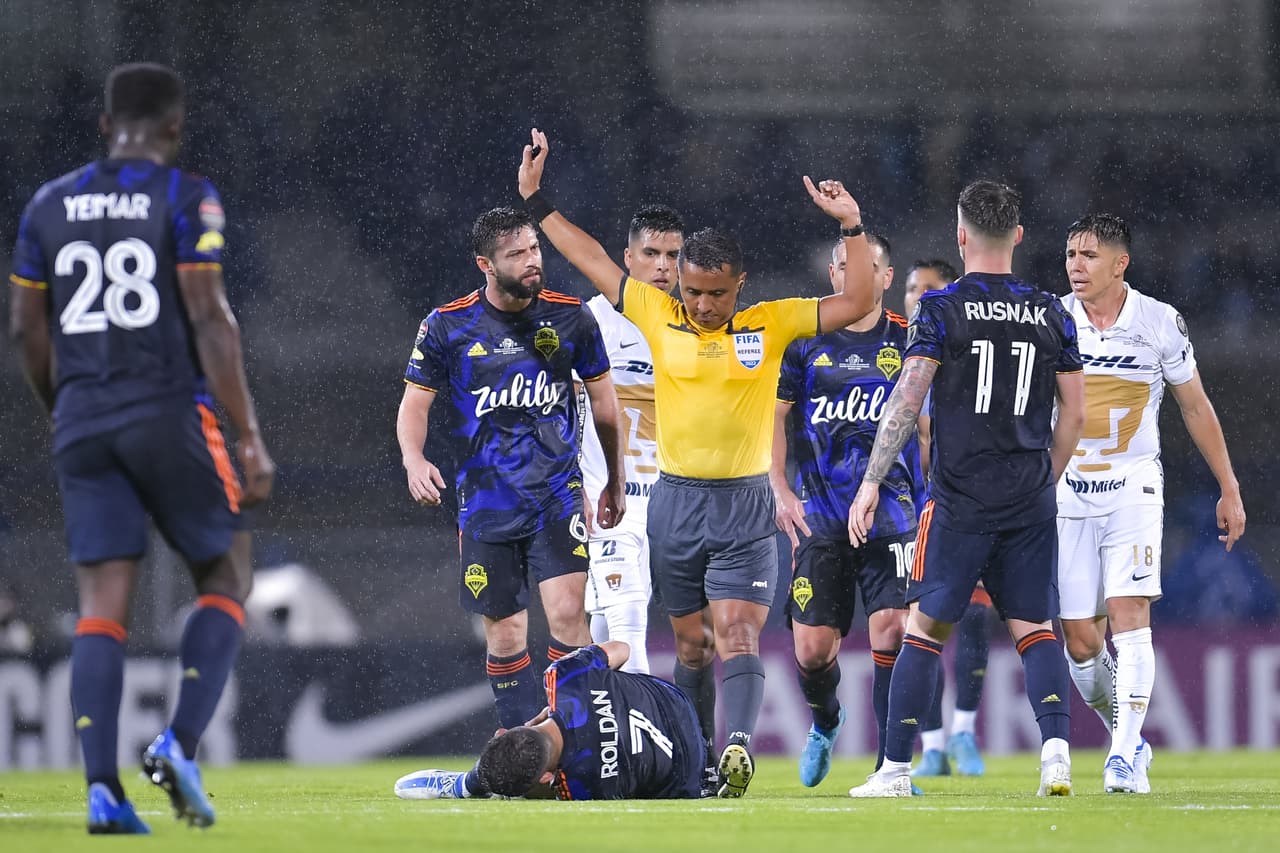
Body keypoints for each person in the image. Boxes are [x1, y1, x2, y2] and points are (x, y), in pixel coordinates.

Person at [516, 128, 879, 797]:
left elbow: (858, 301)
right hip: (675, 505)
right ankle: (701, 762)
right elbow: (592, 258)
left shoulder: (770, 322)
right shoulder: (657, 313)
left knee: (738, 631)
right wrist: (537, 204)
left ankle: (735, 746)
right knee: (690, 648)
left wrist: (852, 225)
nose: (704, 305)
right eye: (695, 292)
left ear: (738, 285)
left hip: (743, 504)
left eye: (716, 293)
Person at [8, 63, 274, 833]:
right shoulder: (185, 194)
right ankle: (180, 744)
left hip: (82, 417)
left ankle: (102, 791)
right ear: (173, 127)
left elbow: (26, 328)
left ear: (104, 125)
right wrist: (247, 433)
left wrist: (65, 406)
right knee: (227, 570)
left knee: (101, 607)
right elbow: (209, 314)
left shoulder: (48, 203)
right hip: (167, 409)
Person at [846, 180, 1086, 798]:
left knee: (926, 630)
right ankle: (1056, 756)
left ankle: (896, 770)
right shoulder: (1052, 311)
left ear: (960, 235)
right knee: (1035, 629)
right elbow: (1075, 416)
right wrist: (1041, 478)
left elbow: (908, 398)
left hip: (958, 498)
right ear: (1020, 236)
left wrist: (872, 482)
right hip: (1029, 494)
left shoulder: (941, 308)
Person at [396, 206, 626, 735]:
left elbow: (606, 407)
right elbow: (414, 406)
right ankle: (523, 744)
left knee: (570, 614)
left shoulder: (571, 318)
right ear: (485, 263)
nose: (531, 261)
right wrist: (414, 458)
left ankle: (574, 738)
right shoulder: (446, 325)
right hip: (485, 499)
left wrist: (611, 479)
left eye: (534, 249)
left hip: (557, 494)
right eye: (516, 254)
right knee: (505, 634)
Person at [1057, 213, 1245, 793]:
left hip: (1133, 486)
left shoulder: (1160, 322)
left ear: (1121, 263)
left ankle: (1119, 758)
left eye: (1089, 255)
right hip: (1068, 489)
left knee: (1130, 616)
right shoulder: (1054, 320)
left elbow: (1194, 406)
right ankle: (1131, 737)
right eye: (1070, 254)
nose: (1075, 266)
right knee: (1080, 641)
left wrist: (1229, 486)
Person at [771, 233, 921, 788]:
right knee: (812, 651)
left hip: (893, 512)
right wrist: (779, 490)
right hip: (822, 515)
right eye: (840, 266)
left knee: (894, 630)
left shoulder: (909, 340)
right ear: (834, 276)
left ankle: (891, 764)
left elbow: (927, 427)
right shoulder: (803, 344)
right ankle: (826, 720)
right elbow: (775, 420)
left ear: (885, 276)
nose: (849, 274)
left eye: (864, 265)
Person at [579, 204, 685, 676]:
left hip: (673, 501)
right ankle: (646, 739)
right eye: (652, 253)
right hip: (611, 498)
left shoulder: (691, 325)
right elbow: (560, 411)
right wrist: (572, 484)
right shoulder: (592, 322)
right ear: (627, 257)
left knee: (608, 626)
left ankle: (612, 734)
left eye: (674, 255)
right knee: (628, 630)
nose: (664, 266)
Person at [393, 641, 704, 800]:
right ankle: (470, 783)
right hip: (675, 701)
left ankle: (467, 785)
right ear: (509, 730)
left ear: (546, 778)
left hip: (690, 774)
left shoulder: (583, 786)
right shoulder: (563, 677)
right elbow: (622, 648)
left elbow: (556, 785)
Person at [905, 259, 993, 778]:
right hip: (909, 509)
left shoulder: (963, 357)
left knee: (976, 618)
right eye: (913, 289)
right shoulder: (894, 354)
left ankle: (963, 732)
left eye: (931, 290)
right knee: (922, 624)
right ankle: (933, 745)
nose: (919, 297)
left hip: (961, 503)